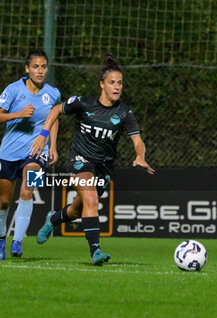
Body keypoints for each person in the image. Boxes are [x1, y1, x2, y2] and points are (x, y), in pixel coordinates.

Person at [30, 53, 154, 265]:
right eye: (112, 82)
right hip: (79, 159)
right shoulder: (84, 103)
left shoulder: (125, 112)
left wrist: (140, 155)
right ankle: (95, 251)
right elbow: (56, 109)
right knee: (91, 200)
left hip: (103, 167)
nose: (117, 87)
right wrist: (43, 136)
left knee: (78, 209)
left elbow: (137, 140)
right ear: (101, 84)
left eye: (120, 83)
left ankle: (53, 219)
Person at [0, 50, 61, 260]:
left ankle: (17, 242)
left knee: (27, 190)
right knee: (4, 201)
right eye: (36, 67)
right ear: (27, 69)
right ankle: (1, 240)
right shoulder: (13, 90)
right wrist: (18, 114)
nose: (40, 71)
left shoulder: (53, 93)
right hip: (9, 153)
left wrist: (52, 146)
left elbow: (54, 118)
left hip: (37, 153)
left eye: (43, 67)